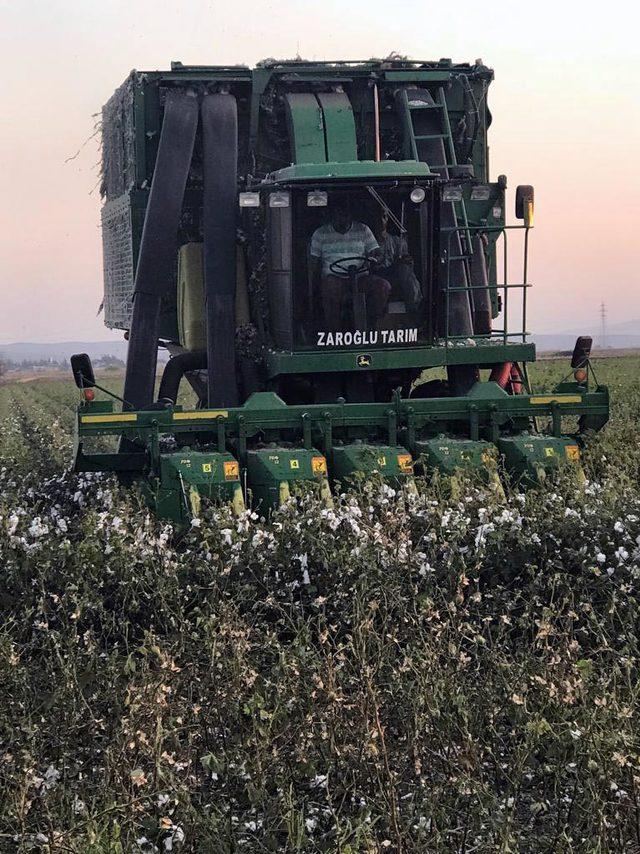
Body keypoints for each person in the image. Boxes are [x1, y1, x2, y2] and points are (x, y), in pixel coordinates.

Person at [309, 200, 391, 330]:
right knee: (329, 288)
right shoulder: (320, 234)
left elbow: (377, 253)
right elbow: (313, 264)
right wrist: (312, 287)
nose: (342, 217)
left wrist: (373, 258)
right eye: (339, 214)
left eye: (345, 214)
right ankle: (335, 333)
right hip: (334, 278)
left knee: (383, 286)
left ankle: (370, 325)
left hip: (360, 277)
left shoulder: (363, 229)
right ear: (332, 215)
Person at [373, 210, 422, 312]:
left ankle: (415, 306)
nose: (380, 220)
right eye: (377, 217)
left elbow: (406, 261)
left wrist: (405, 261)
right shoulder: (366, 241)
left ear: (387, 219)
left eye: (384, 217)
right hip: (375, 276)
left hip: (394, 275)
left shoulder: (398, 241)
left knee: (405, 269)